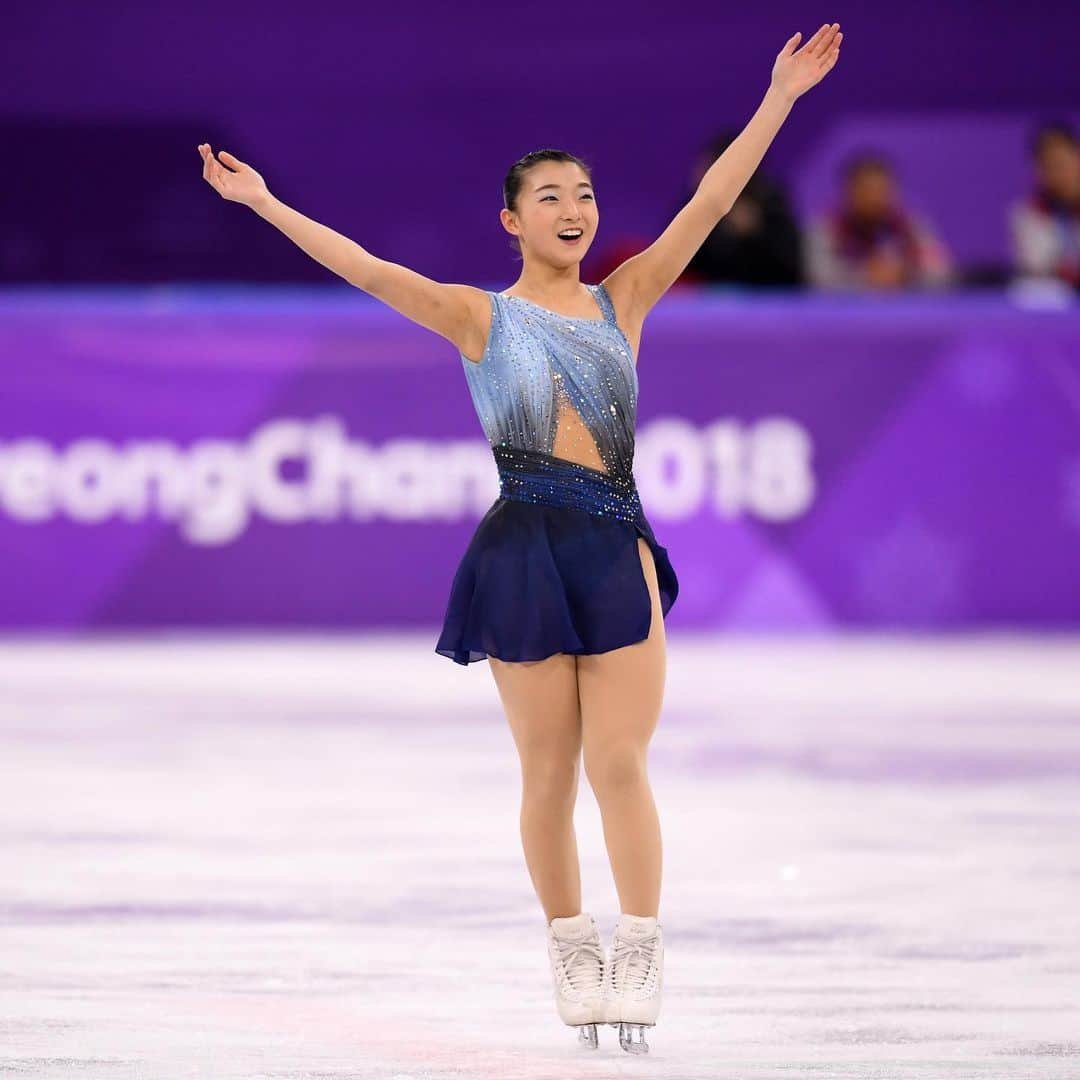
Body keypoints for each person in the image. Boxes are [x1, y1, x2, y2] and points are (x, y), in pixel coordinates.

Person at [196, 20, 842, 1055]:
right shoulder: (476, 319)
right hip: (521, 551)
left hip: (614, 542)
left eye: (584, 195)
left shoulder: (625, 299)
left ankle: (639, 943)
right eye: (551, 197)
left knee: (621, 763)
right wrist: (263, 201)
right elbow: (364, 269)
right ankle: (569, 945)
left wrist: (780, 99)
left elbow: (712, 203)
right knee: (548, 773)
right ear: (512, 219)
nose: (574, 211)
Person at [805, 151, 952, 291]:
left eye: (881, 190)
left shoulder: (910, 226)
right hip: (846, 313)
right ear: (849, 192)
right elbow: (818, 277)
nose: (874, 199)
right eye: (866, 190)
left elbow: (941, 271)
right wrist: (865, 276)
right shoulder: (827, 228)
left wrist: (904, 274)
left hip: (901, 312)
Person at [679, 129, 804, 287]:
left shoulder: (771, 201)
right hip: (710, 298)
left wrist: (756, 231)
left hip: (768, 295)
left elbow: (792, 266)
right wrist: (703, 219)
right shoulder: (696, 203)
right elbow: (675, 261)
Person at [1009, 122, 1080, 289]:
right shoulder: (1028, 214)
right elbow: (1039, 266)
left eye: (1063, 161)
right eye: (1050, 165)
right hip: (1058, 301)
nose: (1059, 172)